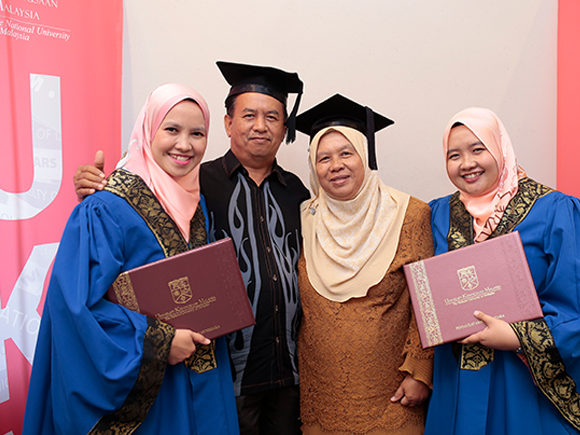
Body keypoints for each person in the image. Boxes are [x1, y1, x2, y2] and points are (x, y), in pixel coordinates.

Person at [72, 62, 309, 435]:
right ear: (228, 124)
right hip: (222, 368)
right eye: (249, 115)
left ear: (284, 128)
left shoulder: (298, 192)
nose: (260, 126)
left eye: (272, 117)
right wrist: (95, 187)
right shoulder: (193, 182)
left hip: (288, 368)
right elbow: (138, 199)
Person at [23, 83, 241, 434]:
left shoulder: (195, 201)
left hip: (203, 378)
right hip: (150, 391)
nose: (185, 144)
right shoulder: (104, 207)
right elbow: (75, 309)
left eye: (197, 133)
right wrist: (160, 342)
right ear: (148, 130)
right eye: (171, 129)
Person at [425, 107, 580, 435]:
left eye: (478, 149)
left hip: (523, 385)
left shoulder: (556, 211)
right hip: (455, 379)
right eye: (454, 155)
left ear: (500, 148)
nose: (466, 163)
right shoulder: (435, 215)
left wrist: (517, 337)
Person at [295, 94, 434, 435]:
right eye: (323, 158)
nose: (335, 165)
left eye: (346, 153)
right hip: (321, 397)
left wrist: (420, 371)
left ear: (366, 156)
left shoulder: (410, 214)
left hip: (393, 396)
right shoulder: (304, 218)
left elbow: (427, 300)